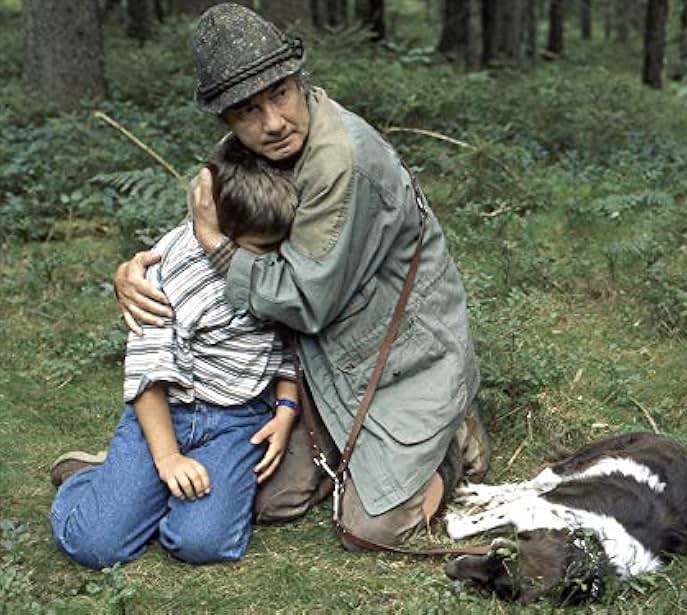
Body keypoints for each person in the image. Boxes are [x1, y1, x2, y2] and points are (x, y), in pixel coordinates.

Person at [62, 2, 490, 549]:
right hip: (312, 355)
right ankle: (124, 483)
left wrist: (216, 248)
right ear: (227, 120)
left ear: (299, 81)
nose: (272, 123)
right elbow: (217, 224)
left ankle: (449, 443)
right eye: (247, 110)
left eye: (280, 95)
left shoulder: (345, 164)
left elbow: (301, 299)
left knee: (373, 529)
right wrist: (142, 268)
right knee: (265, 498)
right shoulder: (246, 149)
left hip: (399, 356)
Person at [50, 135, 301, 569]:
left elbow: (285, 340)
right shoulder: (172, 269)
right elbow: (149, 371)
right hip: (170, 411)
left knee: (203, 544)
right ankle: (90, 481)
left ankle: (146, 490)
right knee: (96, 546)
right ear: (224, 233)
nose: (273, 259)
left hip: (238, 419)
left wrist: (284, 408)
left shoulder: (274, 267)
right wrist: (165, 457)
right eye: (262, 249)